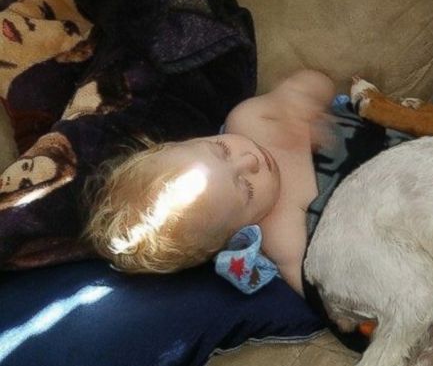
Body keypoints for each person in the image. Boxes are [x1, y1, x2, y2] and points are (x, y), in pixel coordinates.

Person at [85, 70, 335, 294]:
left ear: (189, 141)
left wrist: (299, 99)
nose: (250, 160)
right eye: (247, 189)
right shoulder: (282, 237)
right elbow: (324, 292)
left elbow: (320, 80)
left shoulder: (249, 119)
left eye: (222, 149)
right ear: (237, 233)